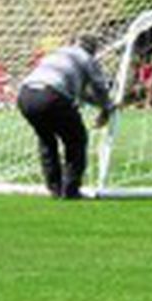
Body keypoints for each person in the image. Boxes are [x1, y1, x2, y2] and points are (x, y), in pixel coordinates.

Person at [17, 34, 115, 199]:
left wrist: (100, 105)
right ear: (92, 49)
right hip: (52, 96)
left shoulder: (57, 54)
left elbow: (78, 92)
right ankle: (71, 190)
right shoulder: (87, 59)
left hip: (25, 95)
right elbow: (99, 88)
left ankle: (54, 188)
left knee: (47, 139)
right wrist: (107, 107)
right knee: (76, 140)